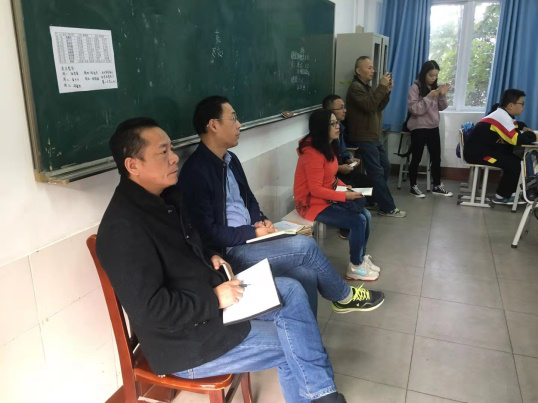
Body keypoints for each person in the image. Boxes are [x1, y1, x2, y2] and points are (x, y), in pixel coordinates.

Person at [97, 117, 348, 403]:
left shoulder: (165, 198)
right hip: (186, 342)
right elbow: (153, 310)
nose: (175, 157)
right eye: (163, 152)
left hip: (213, 304)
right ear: (133, 165)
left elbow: (190, 245)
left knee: (292, 288)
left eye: (171, 149)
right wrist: (215, 298)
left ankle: (321, 395)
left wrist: (211, 255)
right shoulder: (122, 229)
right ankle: (323, 396)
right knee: (295, 342)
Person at [177, 96, 384, 315]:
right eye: (234, 118)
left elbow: (249, 199)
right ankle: (344, 297)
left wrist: (261, 219)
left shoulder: (230, 160)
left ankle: (308, 330)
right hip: (230, 252)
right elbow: (207, 233)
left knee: (306, 275)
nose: (239, 125)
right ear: (214, 125)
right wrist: (253, 232)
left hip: (251, 238)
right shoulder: (196, 172)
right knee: (306, 247)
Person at [294, 109, 381, 282]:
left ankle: (360, 258)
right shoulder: (312, 154)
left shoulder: (328, 147)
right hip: (310, 204)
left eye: (337, 122)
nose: (338, 126)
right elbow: (315, 190)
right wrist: (344, 196)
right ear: (321, 128)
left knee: (366, 215)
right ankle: (355, 267)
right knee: (358, 221)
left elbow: (330, 178)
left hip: (325, 197)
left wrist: (344, 187)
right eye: (333, 123)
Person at [346, 56, 407, 218]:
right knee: (377, 172)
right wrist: (381, 86)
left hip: (373, 136)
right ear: (358, 70)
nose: (373, 71)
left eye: (373, 68)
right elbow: (369, 106)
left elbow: (377, 107)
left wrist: (386, 91)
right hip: (363, 136)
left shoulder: (366, 87)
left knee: (385, 166)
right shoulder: (355, 87)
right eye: (369, 68)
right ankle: (387, 207)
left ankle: (372, 199)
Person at [464, 89, 537, 204]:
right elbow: (516, 140)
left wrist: (523, 127)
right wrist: (533, 135)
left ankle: (511, 193)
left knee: (515, 159)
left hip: (485, 150)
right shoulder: (501, 117)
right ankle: (501, 196)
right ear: (511, 105)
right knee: (513, 164)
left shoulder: (503, 114)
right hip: (478, 155)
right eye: (522, 104)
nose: (523, 107)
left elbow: (515, 126)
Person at [322, 94, 376, 239]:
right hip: (333, 176)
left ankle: (354, 213)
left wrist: (348, 160)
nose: (345, 110)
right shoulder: (321, 139)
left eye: (344, 107)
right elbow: (325, 169)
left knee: (368, 182)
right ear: (329, 112)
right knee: (355, 192)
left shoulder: (339, 128)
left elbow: (343, 150)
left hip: (339, 172)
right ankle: (345, 225)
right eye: (341, 108)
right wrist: (339, 168)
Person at [407, 60, 453, 198]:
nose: (433, 78)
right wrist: (429, 97)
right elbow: (414, 109)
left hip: (433, 127)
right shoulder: (415, 87)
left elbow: (442, 107)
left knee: (436, 157)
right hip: (419, 127)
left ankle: (437, 185)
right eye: (431, 75)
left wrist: (442, 95)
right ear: (424, 74)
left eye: (436, 76)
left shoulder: (436, 88)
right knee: (416, 157)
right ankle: (413, 186)